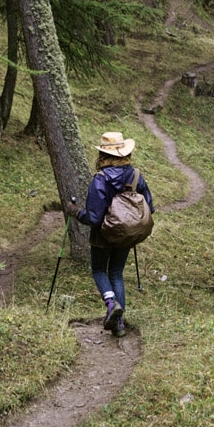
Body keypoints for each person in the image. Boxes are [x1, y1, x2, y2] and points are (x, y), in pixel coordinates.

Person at [65, 131, 154, 338]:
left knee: (98, 270)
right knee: (116, 273)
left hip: (103, 236)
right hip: (126, 235)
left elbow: (95, 218)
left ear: (103, 155)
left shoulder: (100, 179)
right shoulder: (136, 176)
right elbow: (149, 206)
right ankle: (119, 324)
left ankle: (111, 303)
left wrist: (76, 211)